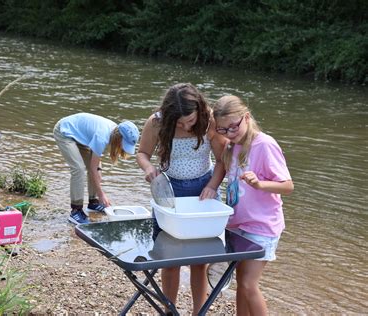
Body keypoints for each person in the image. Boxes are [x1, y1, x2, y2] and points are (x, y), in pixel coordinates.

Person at [136, 83, 227, 315]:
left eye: (190, 121)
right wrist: (148, 169)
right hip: (168, 190)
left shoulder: (209, 121)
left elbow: (221, 161)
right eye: (180, 123)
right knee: (170, 259)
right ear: (169, 117)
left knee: (199, 261)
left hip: (202, 191)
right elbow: (142, 153)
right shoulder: (156, 122)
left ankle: (199, 311)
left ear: (198, 110)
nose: (187, 126)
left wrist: (212, 186)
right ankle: (170, 310)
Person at [212, 95, 294, 315]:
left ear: (246, 117)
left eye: (233, 127)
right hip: (238, 224)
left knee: (249, 284)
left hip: (262, 226)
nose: (229, 133)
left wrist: (260, 184)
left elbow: (287, 186)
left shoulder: (265, 144)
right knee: (241, 283)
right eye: (222, 130)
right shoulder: (232, 145)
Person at [53, 113, 140, 225]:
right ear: (119, 138)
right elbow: (93, 168)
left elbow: (95, 165)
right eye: (125, 144)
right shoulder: (102, 136)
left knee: (97, 169)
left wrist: (98, 170)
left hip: (79, 136)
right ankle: (76, 211)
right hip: (64, 131)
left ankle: (93, 202)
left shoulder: (114, 131)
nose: (124, 148)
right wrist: (102, 194)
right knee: (78, 169)